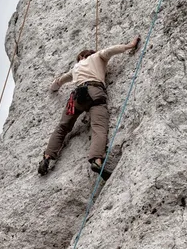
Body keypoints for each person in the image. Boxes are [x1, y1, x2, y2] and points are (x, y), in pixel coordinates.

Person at [38, 36, 140, 179]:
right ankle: (97, 161)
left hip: (76, 98)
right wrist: (130, 45)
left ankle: (47, 157)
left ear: (80, 57)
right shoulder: (96, 56)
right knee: (98, 126)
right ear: (89, 54)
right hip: (94, 92)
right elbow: (111, 51)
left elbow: (58, 82)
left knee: (63, 126)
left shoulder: (75, 68)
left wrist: (53, 87)